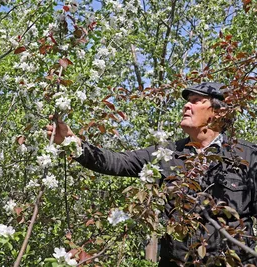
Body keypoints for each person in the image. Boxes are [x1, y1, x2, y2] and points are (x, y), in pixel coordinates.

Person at [46, 82, 257, 266]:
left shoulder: (248, 157)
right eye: (187, 101)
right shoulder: (167, 153)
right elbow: (117, 162)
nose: (186, 105)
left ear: (218, 112)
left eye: (195, 101)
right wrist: (71, 143)